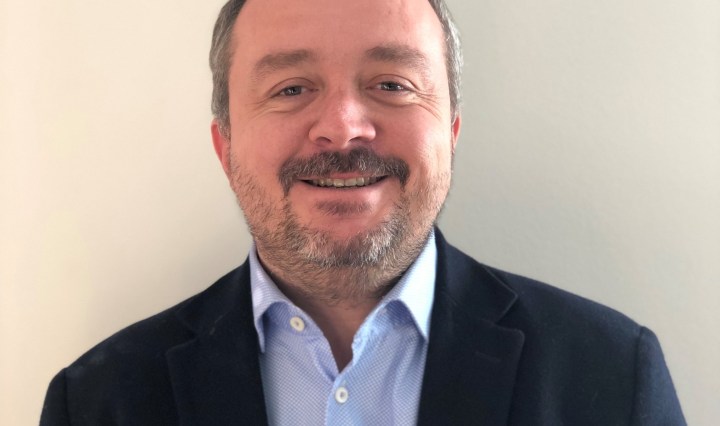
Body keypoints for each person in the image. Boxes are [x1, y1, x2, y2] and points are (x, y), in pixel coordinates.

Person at [40, 0, 686, 424]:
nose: (344, 127)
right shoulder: (98, 402)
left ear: (450, 131)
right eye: (291, 88)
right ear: (225, 146)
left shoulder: (611, 375)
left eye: (392, 84)